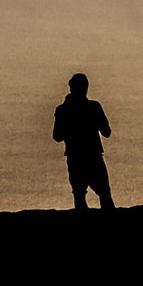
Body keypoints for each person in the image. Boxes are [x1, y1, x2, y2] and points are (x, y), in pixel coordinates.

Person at [52, 73, 115, 210]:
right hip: (93, 157)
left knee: (79, 195)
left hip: (75, 158)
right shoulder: (94, 107)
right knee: (104, 193)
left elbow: (57, 136)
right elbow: (107, 132)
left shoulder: (62, 110)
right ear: (85, 88)